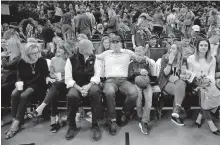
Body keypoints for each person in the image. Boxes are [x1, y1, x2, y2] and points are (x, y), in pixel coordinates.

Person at [5, 42, 49, 139]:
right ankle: (15, 119)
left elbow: (44, 76)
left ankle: (15, 125)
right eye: (33, 53)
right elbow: (19, 76)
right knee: (14, 94)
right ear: (27, 54)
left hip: (37, 85)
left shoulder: (42, 61)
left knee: (24, 96)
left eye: (37, 52)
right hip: (25, 83)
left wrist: (28, 84)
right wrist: (19, 82)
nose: (37, 55)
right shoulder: (22, 61)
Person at [96, 35, 138, 135]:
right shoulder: (106, 53)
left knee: (133, 93)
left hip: (124, 80)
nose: (115, 44)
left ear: (121, 43)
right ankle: (112, 120)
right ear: (110, 44)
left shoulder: (127, 53)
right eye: (113, 42)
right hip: (110, 80)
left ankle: (124, 113)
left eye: (117, 42)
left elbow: (139, 56)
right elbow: (94, 57)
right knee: (109, 92)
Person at [64, 39, 103, 141]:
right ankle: (72, 126)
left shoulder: (95, 59)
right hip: (76, 86)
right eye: (91, 47)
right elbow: (68, 78)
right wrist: (79, 88)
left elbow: (97, 75)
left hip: (91, 84)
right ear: (85, 50)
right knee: (71, 96)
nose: (93, 49)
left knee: (95, 92)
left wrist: (88, 86)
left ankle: (95, 125)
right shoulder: (71, 59)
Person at [29, 42, 71, 133]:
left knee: (54, 87)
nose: (58, 50)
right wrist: (53, 76)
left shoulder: (68, 60)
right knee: (53, 92)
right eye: (57, 48)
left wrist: (62, 78)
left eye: (61, 48)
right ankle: (53, 121)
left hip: (66, 84)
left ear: (65, 50)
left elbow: (71, 75)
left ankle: (42, 109)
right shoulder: (53, 59)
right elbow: (51, 72)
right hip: (56, 84)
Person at [187, 39, 220, 135]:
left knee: (211, 93)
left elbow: (211, 74)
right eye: (201, 45)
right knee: (203, 92)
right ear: (197, 47)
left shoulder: (212, 59)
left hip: (208, 82)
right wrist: (198, 77)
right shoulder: (191, 58)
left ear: (208, 47)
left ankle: (199, 117)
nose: (203, 47)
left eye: (206, 45)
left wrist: (208, 80)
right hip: (195, 82)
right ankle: (211, 124)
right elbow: (189, 73)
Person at [158, 43, 186, 126]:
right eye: (171, 48)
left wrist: (182, 75)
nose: (171, 50)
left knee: (181, 83)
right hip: (166, 81)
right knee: (179, 90)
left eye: (173, 49)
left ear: (178, 50)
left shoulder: (182, 59)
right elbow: (165, 73)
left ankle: (175, 112)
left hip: (177, 81)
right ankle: (176, 113)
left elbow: (183, 73)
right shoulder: (165, 58)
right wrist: (170, 62)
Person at [128, 46, 153, 135]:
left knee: (149, 101)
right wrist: (139, 73)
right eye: (137, 54)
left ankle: (144, 121)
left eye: (140, 54)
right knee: (138, 100)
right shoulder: (131, 64)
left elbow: (150, 73)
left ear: (143, 55)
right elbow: (129, 76)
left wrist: (146, 72)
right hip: (136, 83)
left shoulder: (146, 62)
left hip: (146, 83)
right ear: (134, 54)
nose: (138, 56)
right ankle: (140, 116)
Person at [1, 38, 22, 107]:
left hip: (13, 80)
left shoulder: (19, 57)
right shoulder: (14, 55)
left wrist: (3, 56)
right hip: (10, 77)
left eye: (8, 44)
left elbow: (6, 66)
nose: (7, 46)